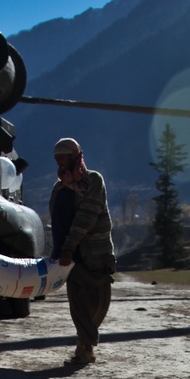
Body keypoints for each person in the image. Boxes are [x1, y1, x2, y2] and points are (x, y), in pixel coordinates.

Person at [49, 137, 116, 365]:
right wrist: (61, 251)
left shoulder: (93, 181)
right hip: (72, 257)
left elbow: (86, 217)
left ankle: (85, 340)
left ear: (75, 156)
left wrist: (69, 245)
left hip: (96, 253)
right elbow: (58, 222)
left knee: (99, 299)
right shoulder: (59, 189)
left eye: (64, 157)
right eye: (57, 158)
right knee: (78, 302)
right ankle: (85, 347)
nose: (60, 162)